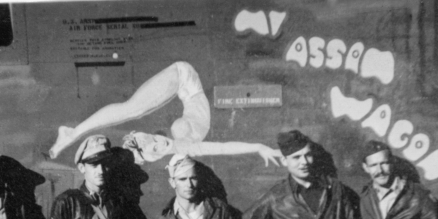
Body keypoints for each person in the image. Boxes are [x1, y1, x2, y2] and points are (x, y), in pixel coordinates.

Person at [48, 61, 282, 166]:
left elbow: (144, 143)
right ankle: (73, 132)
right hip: (185, 79)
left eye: (155, 143)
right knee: (134, 109)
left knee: (133, 110)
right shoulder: (186, 148)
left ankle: (74, 132)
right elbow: (224, 148)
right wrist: (259, 147)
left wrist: (136, 151)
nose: (162, 144)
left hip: (182, 85)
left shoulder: (164, 142)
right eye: (159, 150)